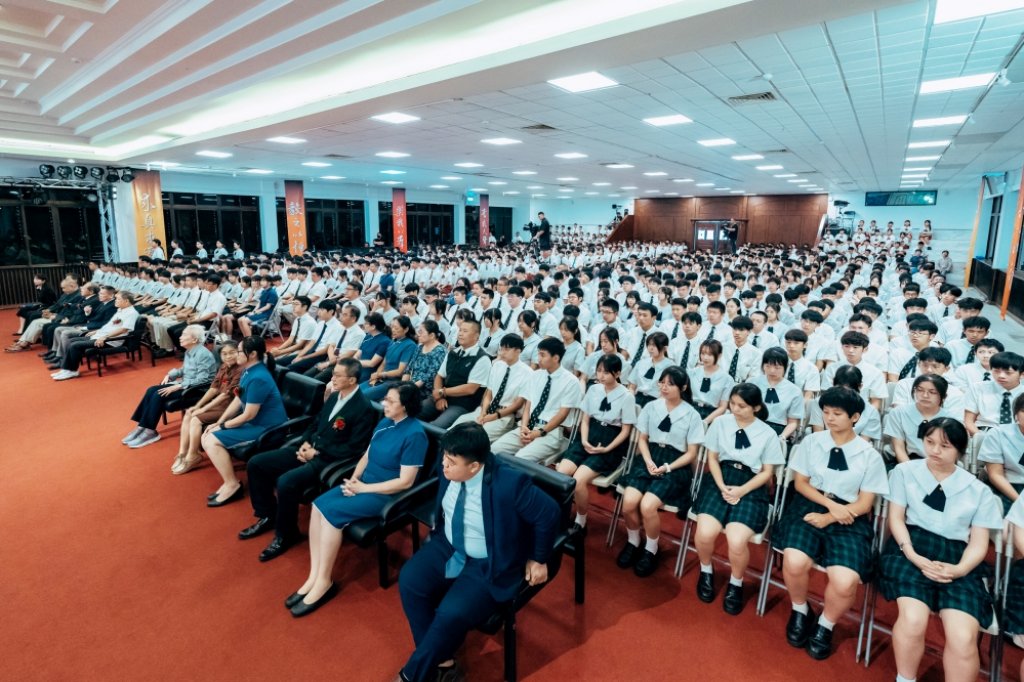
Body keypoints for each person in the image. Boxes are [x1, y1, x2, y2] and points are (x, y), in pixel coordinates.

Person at [396, 422, 560, 682]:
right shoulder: (450, 469)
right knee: (409, 581)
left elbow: (549, 513)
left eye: (451, 462)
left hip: (488, 560)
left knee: (451, 613)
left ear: (474, 466)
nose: (443, 466)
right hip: (448, 544)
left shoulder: (509, 483)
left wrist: (539, 558)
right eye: (444, 458)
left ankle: (411, 675)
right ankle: (443, 660)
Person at [879, 418, 1004, 682]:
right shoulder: (904, 472)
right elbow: (896, 520)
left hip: (959, 557)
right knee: (913, 619)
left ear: (960, 451)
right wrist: (912, 554)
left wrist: (959, 569)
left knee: (963, 637)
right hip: (911, 546)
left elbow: (979, 544)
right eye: (930, 442)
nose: (935, 451)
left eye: (944, 446)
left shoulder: (978, 491)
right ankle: (905, 678)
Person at [287, 382, 427, 617]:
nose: (384, 403)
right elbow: (366, 455)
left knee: (332, 515)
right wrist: (353, 480)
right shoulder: (384, 423)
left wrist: (363, 489)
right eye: (386, 399)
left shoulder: (415, 435)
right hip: (363, 485)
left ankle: (324, 581)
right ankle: (314, 574)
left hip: (386, 494)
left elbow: (406, 482)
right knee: (318, 506)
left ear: (405, 406)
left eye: (390, 401)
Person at [774, 387, 889, 659]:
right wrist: (830, 507)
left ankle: (826, 624)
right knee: (794, 560)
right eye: (826, 413)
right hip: (812, 503)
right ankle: (800, 609)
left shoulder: (869, 454)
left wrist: (831, 515)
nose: (830, 418)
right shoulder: (812, 443)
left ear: (855, 417)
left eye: (837, 413)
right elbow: (800, 484)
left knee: (845, 580)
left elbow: (864, 504)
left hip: (851, 515)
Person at [241, 358, 378, 561]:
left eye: (338, 375)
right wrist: (305, 442)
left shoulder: (363, 408)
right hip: (309, 449)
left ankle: (286, 534)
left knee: (286, 482)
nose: (333, 377)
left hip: (328, 460)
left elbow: (354, 448)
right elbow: (316, 423)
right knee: (257, 463)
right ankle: (267, 513)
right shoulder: (334, 396)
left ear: (352, 380)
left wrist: (317, 451)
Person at [692, 383, 785, 615]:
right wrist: (722, 484)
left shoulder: (768, 433)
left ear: (756, 407)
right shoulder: (721, 422)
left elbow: (767, 472)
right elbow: (712, 458)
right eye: (732, 404)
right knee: (705, 532)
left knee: (736, 540)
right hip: (719, 477)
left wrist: (741, 491)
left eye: (741, 406)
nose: (734, 409)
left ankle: (736, 582)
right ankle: (706, 570)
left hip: (751, 484)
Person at [616, 366, 701, 577]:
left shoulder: (692, 414)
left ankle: (651, 549)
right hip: (649, 457)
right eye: (662, 382)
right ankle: (633, 541)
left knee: (647, 505)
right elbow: (642, 439)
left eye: (670, 384)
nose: (664, 387)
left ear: (683, 387)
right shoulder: (651, 406)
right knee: (628, 502)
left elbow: (691, 454)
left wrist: (668, 467)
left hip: (675, 464)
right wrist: (647, 460)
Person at [200, 336, 288, 507]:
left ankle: (232, 484)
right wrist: (219, 421)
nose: (236, 355)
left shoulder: (259, 377)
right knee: (208, 435)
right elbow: (238, 399)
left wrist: (223, 426)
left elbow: (248, 415)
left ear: (253, 354)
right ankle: (229, 482)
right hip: (256, 423)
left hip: (269, 428)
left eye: (239, 351)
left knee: (211, 440)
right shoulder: (247, 370)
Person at [557, 353, 637, 534]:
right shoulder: (594, 389)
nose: (600, 376)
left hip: (610, 442)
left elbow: (626, 430)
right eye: (599, 371)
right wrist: (584, 439)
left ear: (617, 373)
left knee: (578, 480)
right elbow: (585, 420)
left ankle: (581, 519)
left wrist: (608, 448)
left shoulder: (627, 396)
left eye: (606, 372)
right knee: (562, 473)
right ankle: (562, 513)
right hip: (588, 435)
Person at [122, 325, 217, 448]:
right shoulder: (190, 350)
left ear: (194, 340)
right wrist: (171, 375)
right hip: (187, 383)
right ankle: (142, 426)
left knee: (158, 394)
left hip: (198, 389)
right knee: (151, 390)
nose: (180, 337)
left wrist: (178, 386)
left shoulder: (203, 354)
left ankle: (150, 431)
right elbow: (185, 370)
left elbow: (203, 379)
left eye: (184, 335)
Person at [492, 337, 583, 463]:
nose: (538, 358)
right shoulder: (536, 375)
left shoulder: (571, 382)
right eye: (538, 354)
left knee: (520, 460)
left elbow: (562, 415)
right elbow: (528, 406)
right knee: (493, 450)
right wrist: (524, 426)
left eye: (542, 355)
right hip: (528, 427)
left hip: (550, 432)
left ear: (556, 358)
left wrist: (539, 432)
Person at [171, 342, 243, 475]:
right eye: (224, 354)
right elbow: (213, 389)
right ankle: (182, 453)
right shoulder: (223, 367)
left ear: (238, 352)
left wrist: (203, 410)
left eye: (232, 352)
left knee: (196, 419)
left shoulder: (240, 369)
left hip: (229, 408)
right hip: (217, 405)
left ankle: (193, 455)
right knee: (189, 413)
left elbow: (225, 396)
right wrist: (197, 406)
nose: (228, 357)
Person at [451, 333, 531, 443]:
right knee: (457, 426)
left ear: (518, 351)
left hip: (505, 416)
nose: (502, 352)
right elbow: (489, 393)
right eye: (501, 348)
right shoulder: (497, 365)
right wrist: (483, 412)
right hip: (486, 410)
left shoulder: (528, 373)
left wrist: (494, 416)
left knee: (474, 437)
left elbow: (517, 404)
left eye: (506, 349)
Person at [51, 291, 139, 381]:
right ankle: (66, 369)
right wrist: (96, 331)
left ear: (127, 301)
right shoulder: (121, 310)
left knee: (75, 345)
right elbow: (109, 326)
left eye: (118, 299)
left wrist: (105, 337)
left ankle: (73, 371)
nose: (115, 301)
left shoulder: (131, 313)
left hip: (111, 340)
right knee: (70, 341)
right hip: (101, 336)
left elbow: (124, 329)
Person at [420, 318, 491, 428]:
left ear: (477, 336)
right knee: (413, 412)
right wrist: (439, 397)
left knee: (435, 427)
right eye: (460, 330)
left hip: (462, 404)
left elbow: (470, 388)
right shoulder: (453, 353)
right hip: (442, 397)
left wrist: (442, 392)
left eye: (465, 331)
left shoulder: (482, 359)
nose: (460, 334)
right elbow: (439, 376)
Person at [883, 374, 957, 465]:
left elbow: (950, 453)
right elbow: (899, 448)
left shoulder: (951, 419)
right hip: (906, 463)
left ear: (943, 396)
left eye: (932, 392)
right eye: (920, 390)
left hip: (939, 465)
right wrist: (912, 471)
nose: (925, 395)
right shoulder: (899, 413)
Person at [978, 392, 1024, 513]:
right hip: (1006, 487)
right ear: (1016, 414)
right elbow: (996, 475)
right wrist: (1020, 502)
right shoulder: (997, 434)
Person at [362, 316, 419, 402]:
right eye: (392, 327)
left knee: (363, 395)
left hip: (392, 382)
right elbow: (384, 363)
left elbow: (400, 371)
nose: (393, 330)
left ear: (406, 329)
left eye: (396, 328)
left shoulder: (410, 345)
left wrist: (381, 375)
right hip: (381, 378)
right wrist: (376, 375)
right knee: (356, 391)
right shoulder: (393, 341)